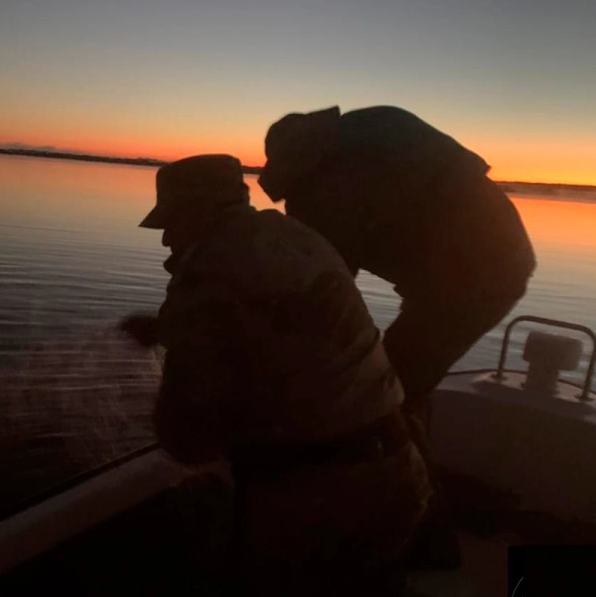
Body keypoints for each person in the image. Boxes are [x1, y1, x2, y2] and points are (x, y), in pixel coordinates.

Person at [122, 154, 431, 595]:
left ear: (197, 213)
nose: (167, 240)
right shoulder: (296, 236)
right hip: (401, 474)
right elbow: (283, 324)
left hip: (319, 501)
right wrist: (169, 329)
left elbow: (186, 441)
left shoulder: (205, 273)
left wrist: (180, 336)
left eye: (171, 222)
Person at [258, 105, 537, 568]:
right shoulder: (376, 128)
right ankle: (430, 489)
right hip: (495, 267)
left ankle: (428, 533)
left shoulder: (331, 187)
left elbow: (323, 290)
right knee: (399, 384)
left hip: (464, 287)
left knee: (384, 400)